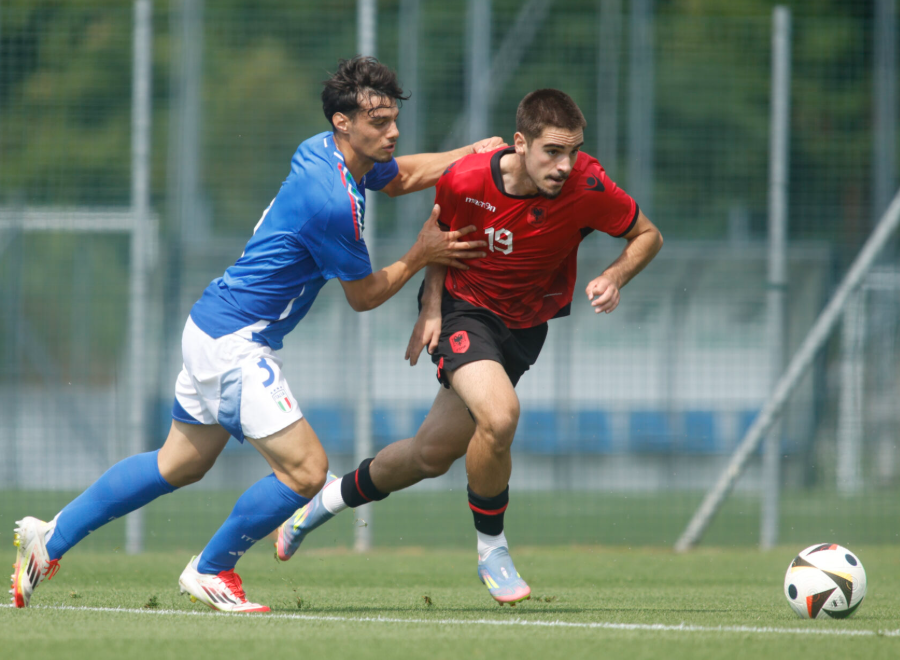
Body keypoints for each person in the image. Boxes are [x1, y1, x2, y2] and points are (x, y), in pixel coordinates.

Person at [11, 56, 504, 613]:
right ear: (344, 122)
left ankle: (51, 536)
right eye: (378, 121)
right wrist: (422, 253)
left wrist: (472, 152)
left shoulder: (324, 150)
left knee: (178, 463)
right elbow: (363, 297)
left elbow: (406, 178)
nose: (392, 131)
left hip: (211, 324)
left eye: (394, 119)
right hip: (234, 342)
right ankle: (211, 568)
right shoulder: (331, 200)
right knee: (306, 470)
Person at [275, 89, 664, 605]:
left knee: (430, 454)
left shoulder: (588, 184)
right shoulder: (469, 178)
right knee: (500, 417)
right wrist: (432, 307)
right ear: (521, 143)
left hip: (525, 327)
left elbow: (647, 234)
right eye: (552, 151)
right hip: (465, 311)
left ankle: (325, 502)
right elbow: (441, 239)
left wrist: (615, 275)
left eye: (572, 150)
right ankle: (492, 549)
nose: (564, 165)